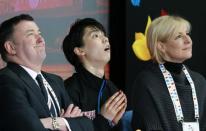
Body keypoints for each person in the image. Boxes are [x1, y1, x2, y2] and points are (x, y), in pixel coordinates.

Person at [0, 14, 94, 131]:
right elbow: (28, 128)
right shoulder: (5, 80)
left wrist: (55, 122)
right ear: (11, 47)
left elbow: (86, 125)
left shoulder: (55, 81)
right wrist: (63, 123)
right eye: (30, 34)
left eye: (39, 33)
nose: (41, 39)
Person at [131, 15, 206, 131]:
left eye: (187, 34)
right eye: (179, 36)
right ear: (161, 46)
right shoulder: (147, 82)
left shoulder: (199, 81)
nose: (188, 40)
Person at [62, 18, 127, 131]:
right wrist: (104, 119)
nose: (105, 39)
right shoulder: (69, 90)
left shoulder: (113, 90)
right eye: (95, 36)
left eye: (104, 35)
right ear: (80, 50)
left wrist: (114, 124)